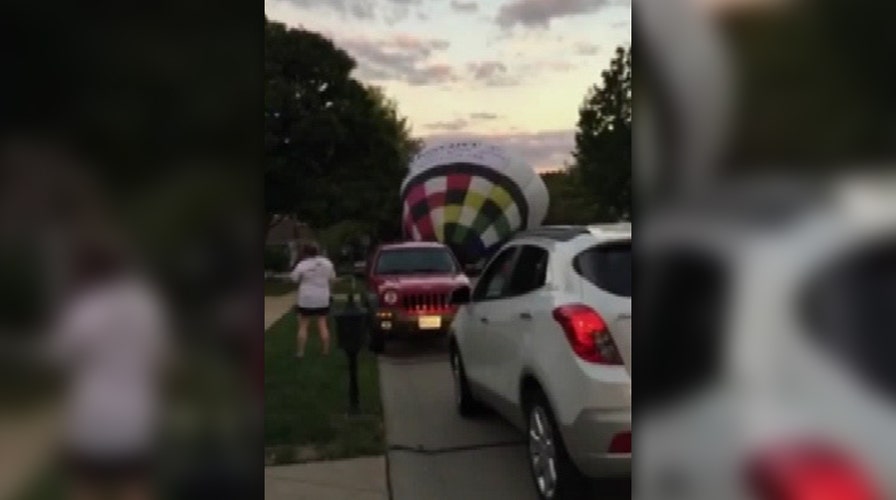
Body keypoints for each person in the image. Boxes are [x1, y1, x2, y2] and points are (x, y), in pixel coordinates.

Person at [289, 242, 336, 357]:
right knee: (322, 323)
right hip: (322, 298)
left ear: (305, 252)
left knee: (303, 324)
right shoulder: (327, 263)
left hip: (306, 298)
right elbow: (332, 279)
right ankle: (325, 351)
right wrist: (330, 292)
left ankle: (300, 352)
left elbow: (294, 279)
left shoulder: (302, 265)